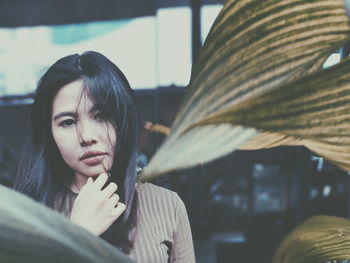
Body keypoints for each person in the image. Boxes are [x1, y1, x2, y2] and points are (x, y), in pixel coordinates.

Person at [14, 51, 195, 263]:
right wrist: (78, 236)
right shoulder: (27, 216)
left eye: (102, 116)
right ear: (49, 134)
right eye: (68, 122)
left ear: (124, 120)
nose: (88, 137)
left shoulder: (167, 205)